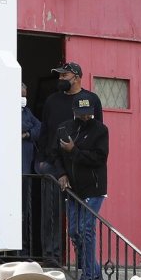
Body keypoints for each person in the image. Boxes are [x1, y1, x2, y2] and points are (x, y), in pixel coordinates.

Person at [37, 62, 103, 264]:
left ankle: (85, 263)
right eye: (59, 76)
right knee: (51, 213)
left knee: (80, 224)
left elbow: (97, 132)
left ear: (76, 77)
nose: (60, 80)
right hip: (54, 165)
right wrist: (42, 161)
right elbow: (45, 133)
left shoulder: (91, 100)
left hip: (79, 166)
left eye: (64, 76)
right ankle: (52, 256)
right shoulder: (51, 101)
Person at [55, 92, 109, 280]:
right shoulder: (65, 128)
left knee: (86, 229)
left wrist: (74, 151)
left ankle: (88, 276)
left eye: (89, 113)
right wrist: (62, 174)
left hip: (93, 188)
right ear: (75, 111)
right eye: (82, 113)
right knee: (74, 232)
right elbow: (57, 156)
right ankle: (95, 274)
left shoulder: (100, 130)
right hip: (73, 189)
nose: (86, 117)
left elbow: (99, 158)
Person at [21, 83, 42, 255]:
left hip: (26, 170)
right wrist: (26, 129)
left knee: (25, 211)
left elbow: (39, 128)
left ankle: (24, 251)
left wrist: (27, 134)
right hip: (12, 172)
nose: (23, 97)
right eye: (21, 94)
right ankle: (5, 253)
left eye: (25, 94)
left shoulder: (27, 111)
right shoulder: (7, 108)